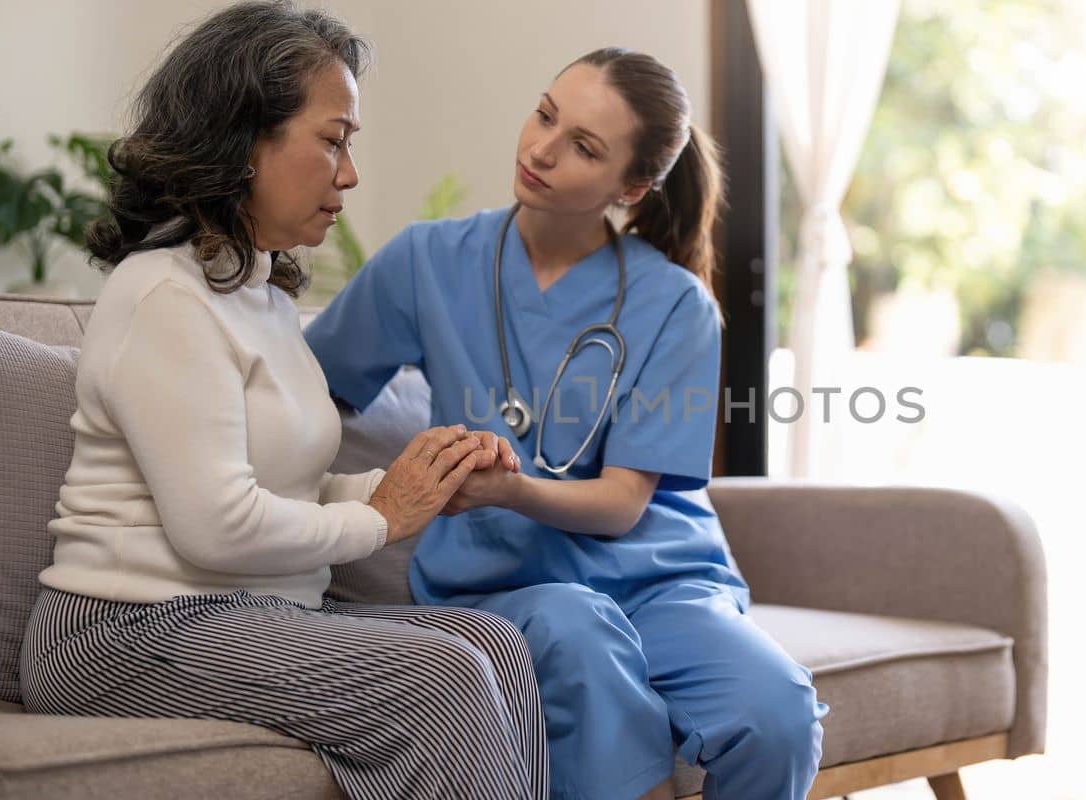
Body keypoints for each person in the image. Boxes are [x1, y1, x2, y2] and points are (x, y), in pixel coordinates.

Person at [18, 4, 547, 798]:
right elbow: (216, 525)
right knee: (445, 676)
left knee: (495, 645)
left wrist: (419, 488)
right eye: (332, 140)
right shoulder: (165, 295)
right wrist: (381, 519)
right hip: (122, 630)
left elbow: (287, 492)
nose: (350, 172)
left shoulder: (260, 294)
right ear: (242, 140)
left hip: (249, 613)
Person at [305, 48, 826, 800]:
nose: (541, 149)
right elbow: (306, 391)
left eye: (584, 147)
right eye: (546, 114)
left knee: (776, 713)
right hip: (503, 585)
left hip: (659, 584)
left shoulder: (676, 305)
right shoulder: (427, 264)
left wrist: (509, 490)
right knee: (576, 628)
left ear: (632, 187)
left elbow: (621, 505)